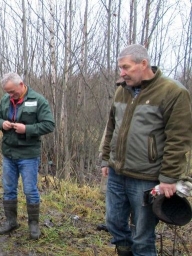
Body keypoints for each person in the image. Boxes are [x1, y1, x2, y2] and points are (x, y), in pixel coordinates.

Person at [101, 44, 192, 256]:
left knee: (143, 236)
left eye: (126, 67)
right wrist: (106, 159)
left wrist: (169, 177)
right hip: (117, 172)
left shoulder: (173, 92)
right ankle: (125, 252)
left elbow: (178, 139)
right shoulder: (121, 90)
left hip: (146, 178)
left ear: (143, 64)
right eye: (120, 68)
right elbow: (111, 127)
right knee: (113, 222)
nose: (122, 73)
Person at [0, 72, 55, 240]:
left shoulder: (38, 100)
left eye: (12, 91)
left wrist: (27, 129)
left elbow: (49, 125)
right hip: (8, 153)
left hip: (28, 154)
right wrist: (1, 124)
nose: (10, 95)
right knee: (9, 190)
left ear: (21, 84)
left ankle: (33, 225)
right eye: (7, 92)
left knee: (30, 191)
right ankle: (11, 222)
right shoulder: (5, 100)